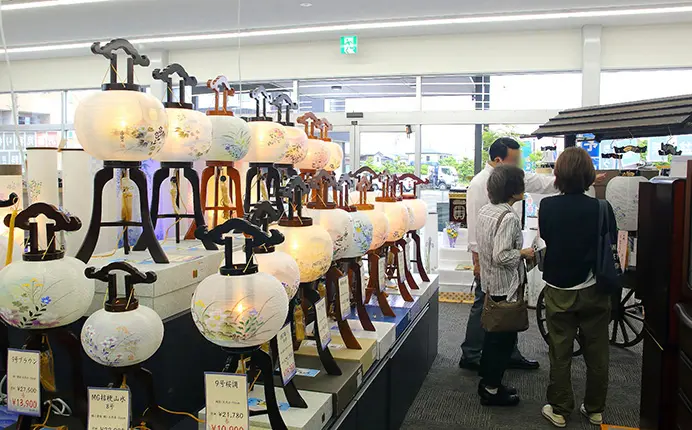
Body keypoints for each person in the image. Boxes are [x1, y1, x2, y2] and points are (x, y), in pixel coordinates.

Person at [460, 137, 555, 371]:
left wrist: (577, 180)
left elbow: (541, 182)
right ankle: (471, 353)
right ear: (498, 160)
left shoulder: (510, 177)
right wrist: (477, 260)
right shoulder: (479, 183)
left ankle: (509, 353)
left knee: (510, 305)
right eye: (515, 160)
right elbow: (474, 226)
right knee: (485, 304)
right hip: (491, 258)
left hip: (506, 253)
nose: (519, 165)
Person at [538, 147, 614, 428]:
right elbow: (611, 243)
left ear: (558, 174)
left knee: (560, 350)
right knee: (597, 349)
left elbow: (546, 238)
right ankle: (595, 409)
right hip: (594, 286)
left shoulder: (547, 206)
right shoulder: (601, 207)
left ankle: (560, 409)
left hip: (558, 287)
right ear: (589, 175)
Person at [476, 164, 534, 406]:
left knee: (492, 338)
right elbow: (501, 255)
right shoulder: (508, 217)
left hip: (490, 283)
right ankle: (491, 388)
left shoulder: (486, 210)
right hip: (505, 287)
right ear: (513, 189)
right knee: (502, 341)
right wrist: (523, 253)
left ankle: (488, 384)